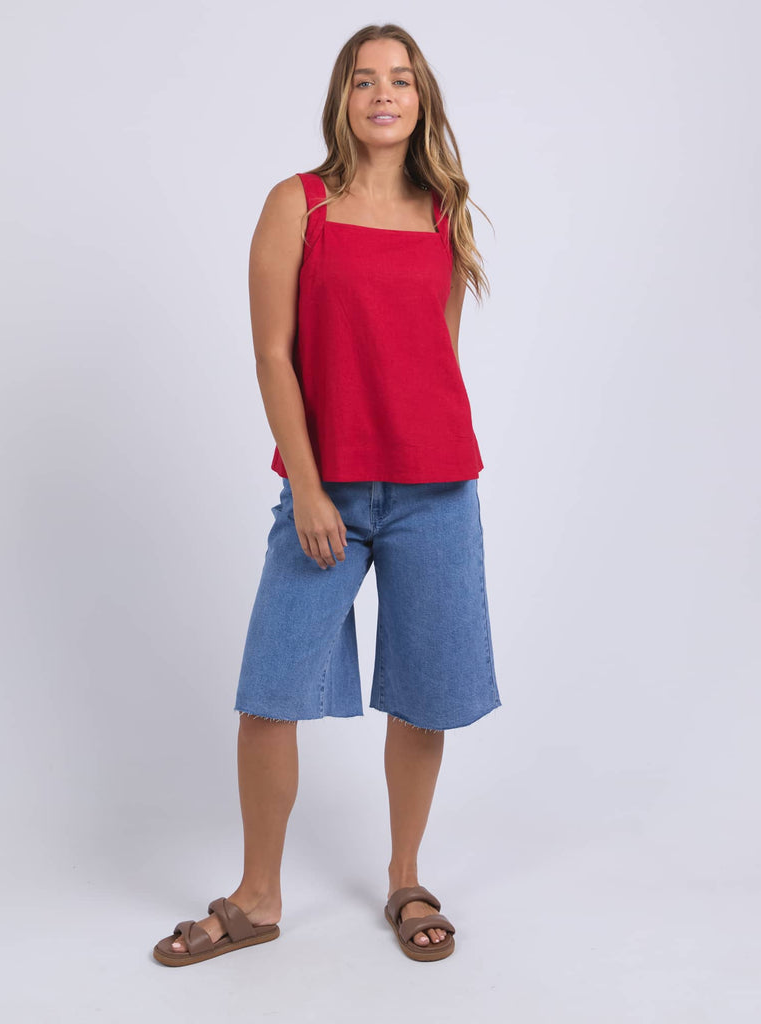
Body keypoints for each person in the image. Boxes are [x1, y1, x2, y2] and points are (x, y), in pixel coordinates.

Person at [153, 22, 502, 967]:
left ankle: (405, 876)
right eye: (363, 80)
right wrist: (309, 485)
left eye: (400, 80)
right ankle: (257, 897)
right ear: (342, 98)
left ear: (421, 99)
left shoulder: (444, 211)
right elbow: (273, 353)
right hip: (328, 492)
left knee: (423, 697)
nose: (382, 94)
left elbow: (438, 351)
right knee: (271, 691)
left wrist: (423, 448)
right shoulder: (297, 204)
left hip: (438, 490)